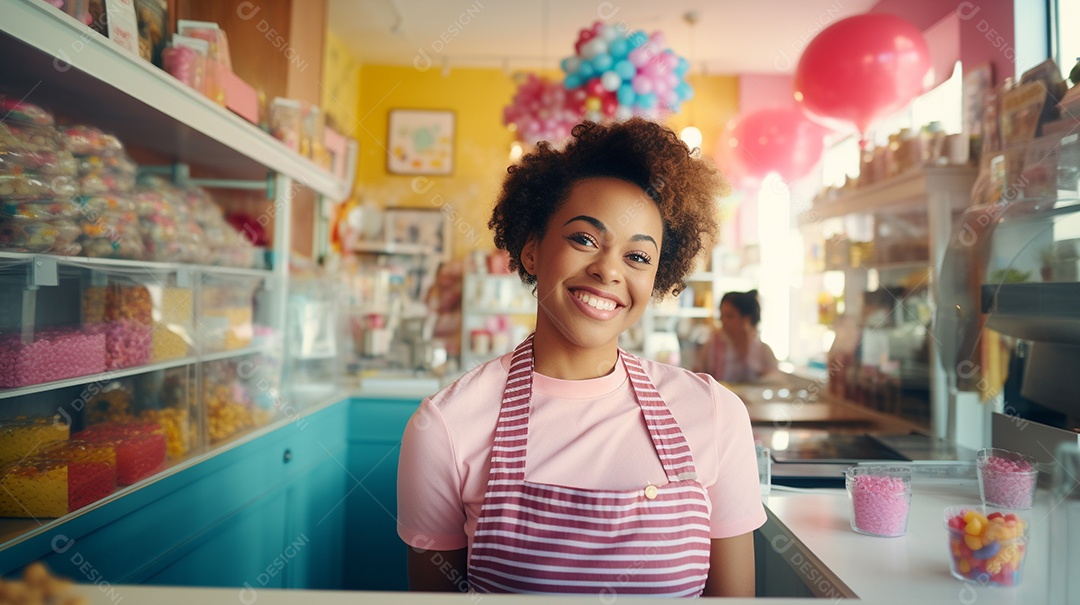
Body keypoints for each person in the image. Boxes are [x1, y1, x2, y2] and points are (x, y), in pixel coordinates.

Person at [396, 119, 766, 597]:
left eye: (638, 257)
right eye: (585, 239)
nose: (608, 270)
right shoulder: (444, 427)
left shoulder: (715, 414)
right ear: (531, 250)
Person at [695, 290, 780, 384]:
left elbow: (776, 381)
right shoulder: (712, 346)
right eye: (722, 315)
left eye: (729, 316)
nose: (723, 320)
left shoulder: (762, 350)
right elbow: (696, 375)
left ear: (746, 319)